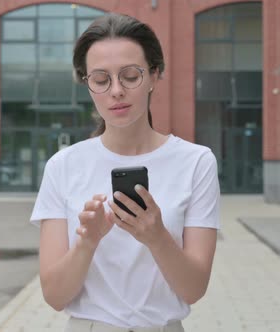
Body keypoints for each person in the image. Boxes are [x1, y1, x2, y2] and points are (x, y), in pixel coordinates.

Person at [30, 13, 220, 332]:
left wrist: (157, 236)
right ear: (87, 83)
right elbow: (54, 295)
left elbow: (194, 289)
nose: (116, 91)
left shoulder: (196, 161)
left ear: (154, 75)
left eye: (130, 76)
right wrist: (87, 242)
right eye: (101, 79)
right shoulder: (63, 165)